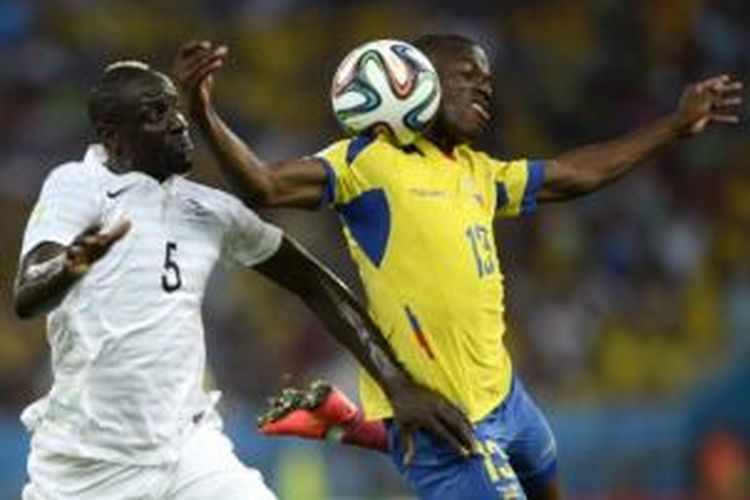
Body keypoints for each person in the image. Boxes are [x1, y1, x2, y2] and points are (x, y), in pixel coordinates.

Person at [174, 35, 743, 500]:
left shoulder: (477, 172)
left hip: (507, 398)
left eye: (488, 81)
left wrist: (673, 125)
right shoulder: (369, 163)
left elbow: (577, 175)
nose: (485, 87)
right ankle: (373, 428)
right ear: (415, 80)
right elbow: (264, 185)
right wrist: (203, 111)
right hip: (443, 422)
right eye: (468, 74)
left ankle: (347, 422)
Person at [12, 60, 476, 500]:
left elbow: (312, 281)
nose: (178, 122)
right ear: (113, 137)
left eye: (175, 108)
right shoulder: (77, 185)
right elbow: (28, 294)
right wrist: (69, 265)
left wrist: (397, 383)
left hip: (187, 450)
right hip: (89, 464)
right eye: (157, 113)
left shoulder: (208, 208)